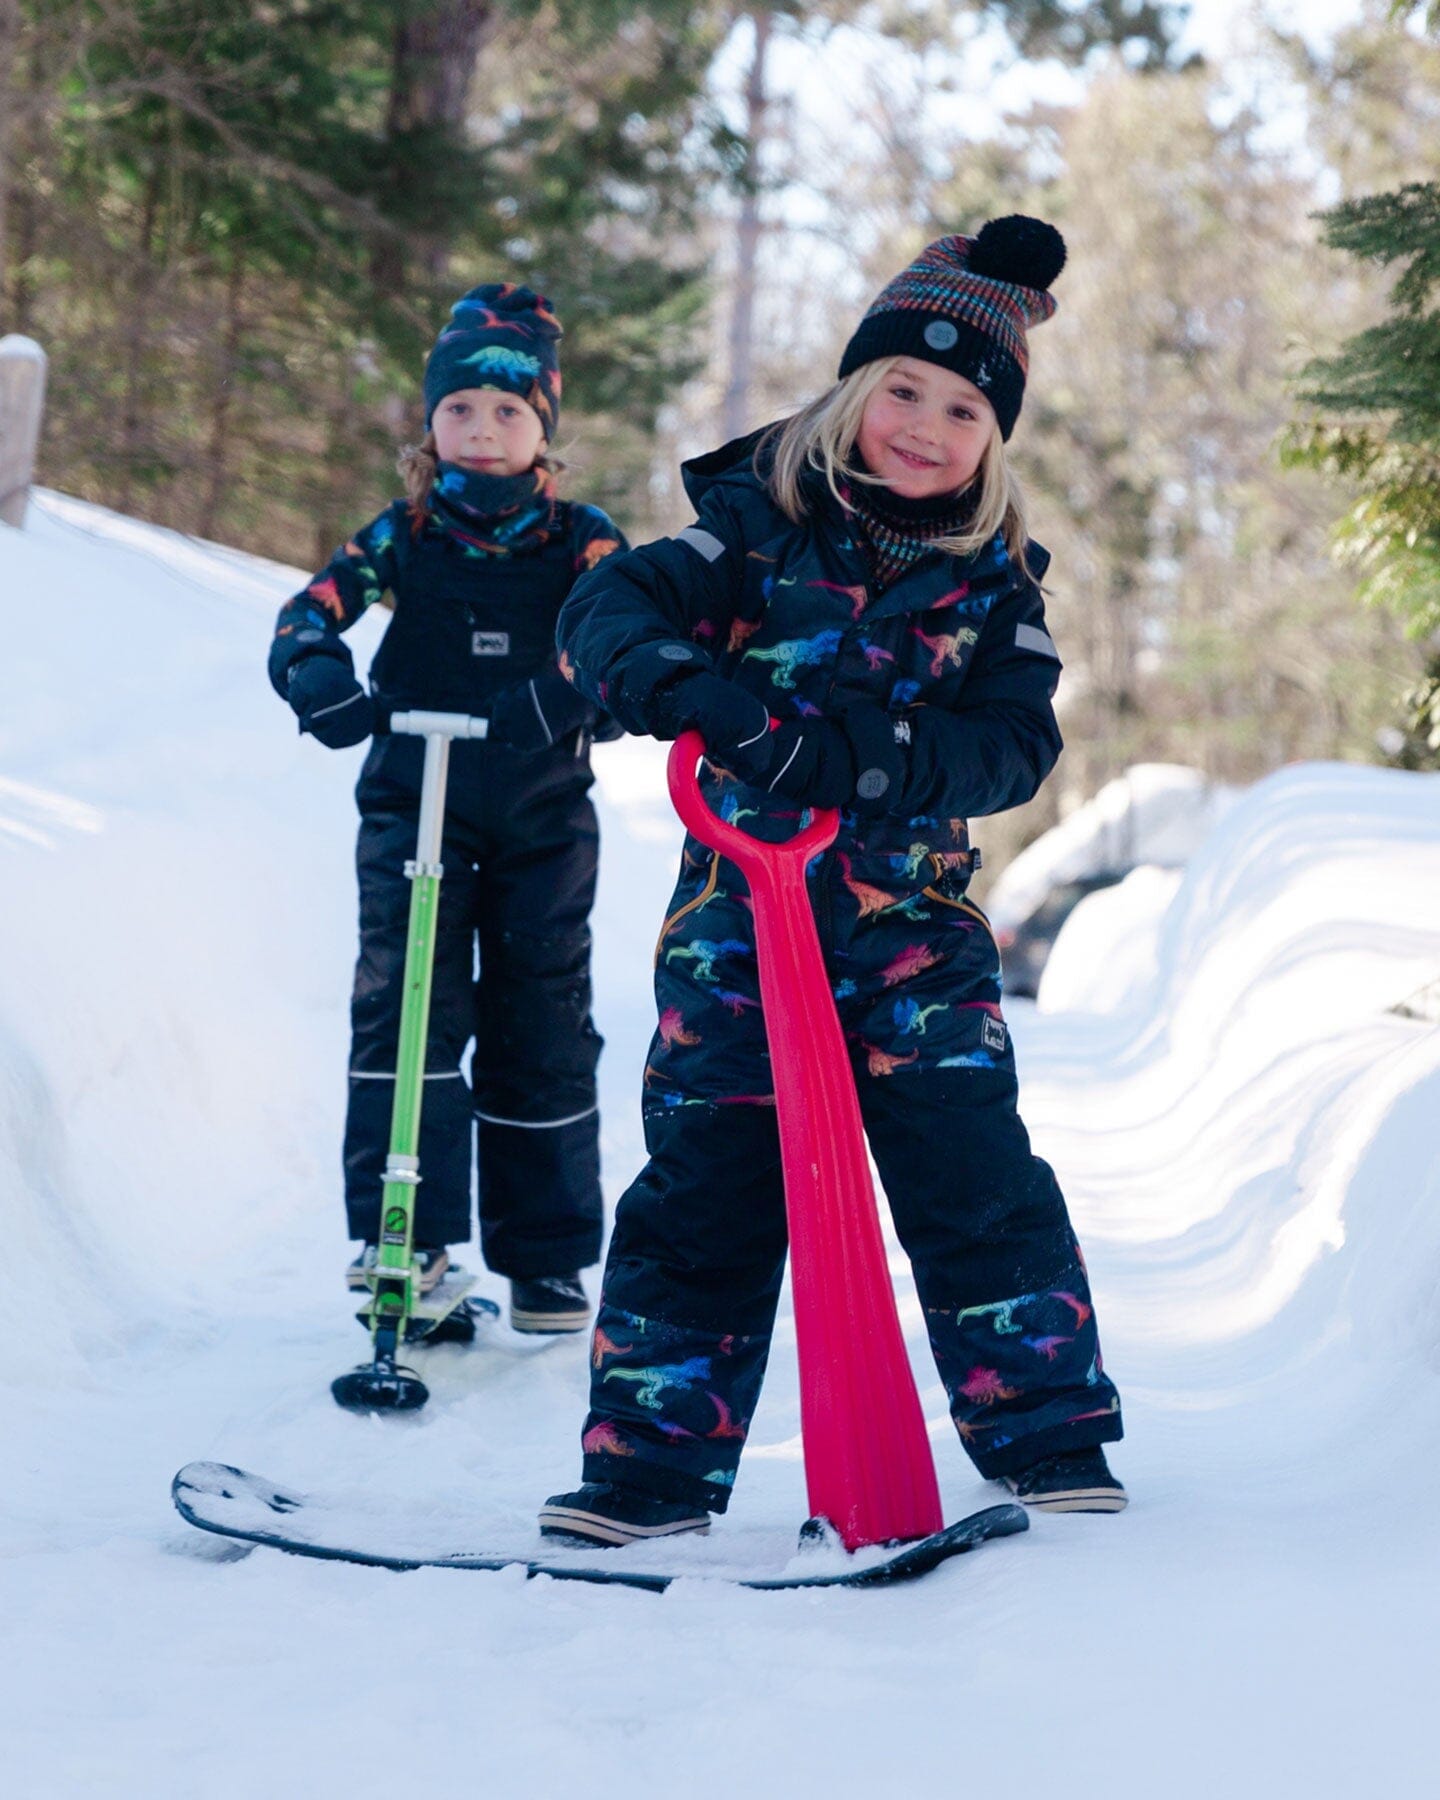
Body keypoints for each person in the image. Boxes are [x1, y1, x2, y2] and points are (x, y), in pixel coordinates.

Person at [538, 217, 1125, 1547]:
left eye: (962, 405)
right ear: (854, 395)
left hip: (913, 943)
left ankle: (1048, 1436)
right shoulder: (741, 541)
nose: (923, 422)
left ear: (995, 435)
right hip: (733, 930)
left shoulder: (995, 595)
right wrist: (684, 689)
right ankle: (646, 1470)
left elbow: (1014, 746)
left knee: (973, 1172)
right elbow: (604, 614)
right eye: (901, 390)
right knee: (707, 1183)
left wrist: (843, 757)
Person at [268, 282, 627, 1334]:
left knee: (539, 1011)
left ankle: (546, 1257)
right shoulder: (406, 531)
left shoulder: (580, 538)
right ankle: (405, 1236)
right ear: (430, 422)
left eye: (508, 412)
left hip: (541, 808)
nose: (480, 429)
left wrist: (565, 696)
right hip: (411, 796)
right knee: (408, 998)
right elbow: (308, 614)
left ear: (543, 426)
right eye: (460, 408)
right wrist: (319, 680)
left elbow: (623, 638)